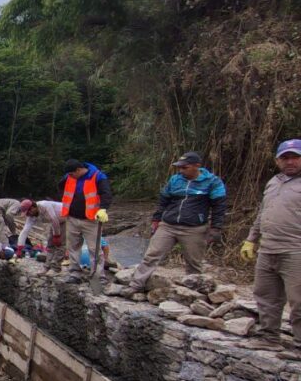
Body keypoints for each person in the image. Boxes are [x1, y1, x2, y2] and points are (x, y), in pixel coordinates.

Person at [128, 152, 227, 291]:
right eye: (179, 167)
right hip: (168, 225)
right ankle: (135, 285)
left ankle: (193, 291)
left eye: (184, 167)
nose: (181, 170)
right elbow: (163, 200)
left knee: (194, 263)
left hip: (194, 228)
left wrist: (216, 227)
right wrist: (157, 219)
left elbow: (219, 206)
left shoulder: (212, 182)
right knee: (151, 255)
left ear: (196, 166)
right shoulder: (175, 180)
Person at [241, 139, 301, 347]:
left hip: (295, 250)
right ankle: (269, 338)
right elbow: (263, 213)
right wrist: (250, 240)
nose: (290, 161)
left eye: (295, 157)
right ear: (277, 161)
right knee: (266, 296)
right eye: (285, 158)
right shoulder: (274, 182)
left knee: (298, 300)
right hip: (268, 250)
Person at [58, 159, 112, 281]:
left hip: (90, 219)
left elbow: (106, 193)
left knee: (95, 249)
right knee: (73, 247)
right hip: (72, 217)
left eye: (72, 174)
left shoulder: (97, 176)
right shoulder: (69, 177)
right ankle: (74, 273)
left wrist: (103, 209)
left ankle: (97, 276)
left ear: (78, 170)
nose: (70, 176)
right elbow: (61, 187)